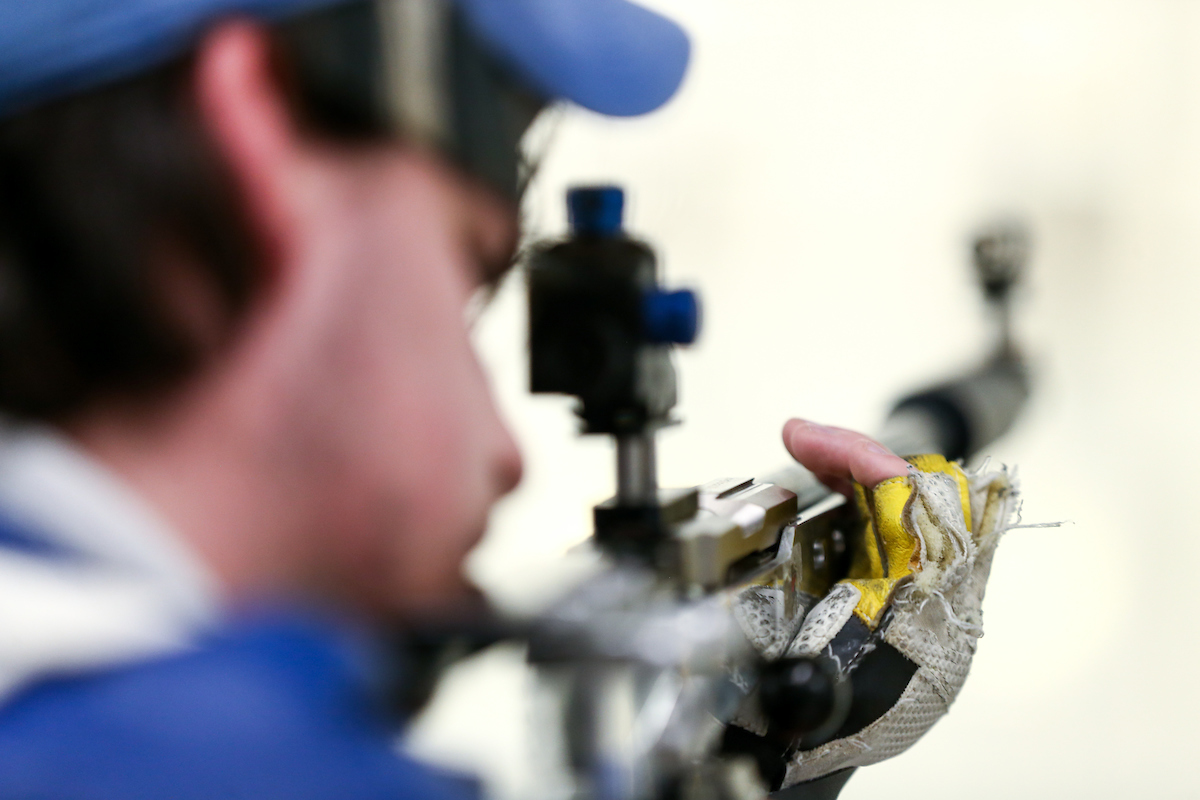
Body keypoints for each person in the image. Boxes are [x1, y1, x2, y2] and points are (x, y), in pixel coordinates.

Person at [0, 1, 1009, 797]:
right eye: (466, 271)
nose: (504, 449)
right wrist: (797, 747)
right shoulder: (201, 763)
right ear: (256, 116)